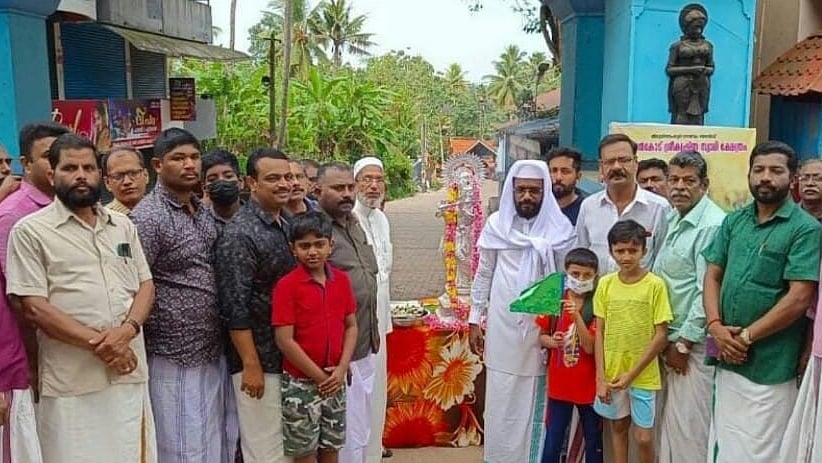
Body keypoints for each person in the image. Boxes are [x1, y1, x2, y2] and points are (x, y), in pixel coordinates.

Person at [6, 133, 157, 462]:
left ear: (99, 175)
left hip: (128, 371)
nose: (80, 176)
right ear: (52, 175)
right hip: (72, 379)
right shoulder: (30, 231)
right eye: (70, 168)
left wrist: (126, 332)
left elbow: (145, 285)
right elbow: (34, 308)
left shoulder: (122, 226)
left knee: (130, 454)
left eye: (88, 168)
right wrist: (105, 346)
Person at [703, 141, 820, 462]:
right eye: (759, 170)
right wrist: (715, 326)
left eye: (775, 170)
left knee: (763, 450)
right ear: (749, 175)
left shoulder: (805, 229)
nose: (765, 177)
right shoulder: (734, 221)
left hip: (771, 361)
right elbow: (712, 276)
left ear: (792, 178)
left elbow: (799, 297)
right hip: (726, 354)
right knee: (724, 441)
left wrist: (745, 337)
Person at [131, 128, 229, 463]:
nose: (189, 165)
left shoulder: (202, 210)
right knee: (180, 444)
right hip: (173, 352)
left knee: (212, 437)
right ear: (158, 165)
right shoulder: (148, 217)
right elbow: (134, 283)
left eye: (194, 157)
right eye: (178, 158)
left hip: (211, 345)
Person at [470, 160, 576, 463]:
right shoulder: (497, 226)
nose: (527, 196)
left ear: (544, 192)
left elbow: (568, 279)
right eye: (521, 190)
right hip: (503, 325)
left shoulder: (559, 229)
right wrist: (475, 318)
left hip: (542, 328)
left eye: (534, 190)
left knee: (533, 394)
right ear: (512, 191)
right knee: (501, 394)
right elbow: (484, 272)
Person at [215, 148, 296, 463]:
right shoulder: (240, 234)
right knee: (265, 451)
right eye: (273, 178)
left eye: (288, 177)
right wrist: (251, 364)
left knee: (290, 449)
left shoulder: (286, 225)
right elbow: (234, 306)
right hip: (260, 362)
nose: (283, 184)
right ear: (251, 183)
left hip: (289, 359)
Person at [0, 122, 69, 463]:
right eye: (48, 157)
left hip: (71, 355)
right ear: (27, 164)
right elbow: (18, 301)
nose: (57, 165)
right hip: (34, 359)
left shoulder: (73, 207)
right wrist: (33, 364)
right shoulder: (13, 215)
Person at [651, 151, 724, 463]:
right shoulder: (672, 217)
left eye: (688, 181)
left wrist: (683, 343)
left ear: (704, 185)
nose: (679, 187)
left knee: (689, 430)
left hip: (689, 345)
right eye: (674, 180)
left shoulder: (711, 225)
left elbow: (705, 291)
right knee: (664, 427)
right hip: (665, 338)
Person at [273, 211, 359, 463]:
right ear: (293, 249)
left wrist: (341, 368)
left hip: (335, 379)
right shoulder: (287, 286)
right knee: (304, 451)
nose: (312, 252)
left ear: (330, 245)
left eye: (319, 244)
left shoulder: (341, 280)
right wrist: (319, 377)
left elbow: (351, 326)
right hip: (301, 384)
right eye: (305, 246)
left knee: (332, 446)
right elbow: (285, 340)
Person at [593, 220, 672, 463]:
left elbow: (661, 335)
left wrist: (632, 374)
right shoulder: (605, 284)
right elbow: (599, 332)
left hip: (644, 374)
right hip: (612, 373)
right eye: (620, 250)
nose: (626, 256)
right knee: (618, 427)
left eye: (632, 250)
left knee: (644, 437)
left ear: (644, 251)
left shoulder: (655, 285)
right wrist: (601, 379)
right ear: (611, 251)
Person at [317, 162, 379, 463]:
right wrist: (336, 358)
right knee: (343, 433)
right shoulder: (315, 231)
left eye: (349, 187)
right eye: (337, 188)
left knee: (361, 427)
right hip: (339, 354)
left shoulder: (354, 223)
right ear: (318, 190)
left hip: (366, 342)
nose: (346, 193)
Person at [538, 248, 603, 463]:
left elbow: (590, 347)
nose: (580, 279)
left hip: (589, 385)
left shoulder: (597, 304)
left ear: (595, 276)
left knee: (593, 439)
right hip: (560, 384)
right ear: (566, 272)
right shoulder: (555, 299)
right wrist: (552, 341)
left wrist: (576, 316)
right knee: (553, 438)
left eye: (587, 275)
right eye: (575, 274)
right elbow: (542, 337)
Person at [576, 134, 670, 275]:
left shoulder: (659, 207)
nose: (617, 167)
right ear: (601, 167)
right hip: (597, 288)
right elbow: (582, 255)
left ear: (635, 163)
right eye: (609, 162)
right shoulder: (588, 206)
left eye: (624, 160)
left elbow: (662, 262)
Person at [351, 157, 393, 462]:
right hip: (356, 325)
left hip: (380, 320)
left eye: (378, 179)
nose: (373, 185)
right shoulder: (349, 221)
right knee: (357, 396)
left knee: (377, 392)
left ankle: (373, 453)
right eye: (366, 179)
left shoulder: (382, 219)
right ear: (355, 184)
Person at [202, 148, 244, 226]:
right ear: (204, 188)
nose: (221, 181)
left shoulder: (259, 218)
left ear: (240, 182)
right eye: (212, 179)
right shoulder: (197, 223)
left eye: (228, 176)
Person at [545, 147, 586, 225]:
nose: (558, 178)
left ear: (578, 176)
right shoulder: (537, 207)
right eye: (553, 171)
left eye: (565, 172)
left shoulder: (586, 210)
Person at [103, 146, 148, 214]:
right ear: (107, 183)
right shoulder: (102, 218)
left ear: (146, 175)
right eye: (118, 176)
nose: (127, 181)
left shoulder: (162, 211)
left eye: (134, 173)